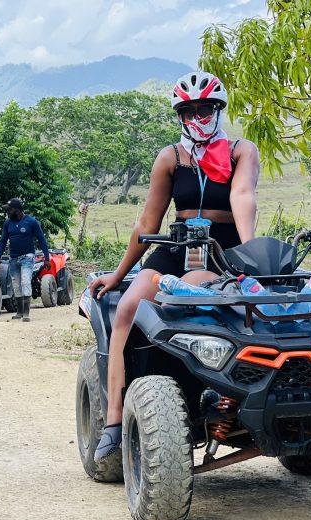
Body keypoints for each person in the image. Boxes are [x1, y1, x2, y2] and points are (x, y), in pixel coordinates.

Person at [88, 71, 259, 464]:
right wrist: (117, 275)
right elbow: (147, 224)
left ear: (218, 110)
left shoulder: (239, 151)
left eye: (205, 110)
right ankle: (114, 418)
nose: (197, 118)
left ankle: (210, 393)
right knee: (128, 308)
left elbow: (243, 195)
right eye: (189, 111)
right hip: (174, 245)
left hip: (221, 248)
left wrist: (249, 255)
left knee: (196, 288)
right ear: (180, 115)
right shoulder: (170, 157)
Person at [0, 198, 50, 322]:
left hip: (27, 257)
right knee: (16, 285)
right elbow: (3, 241)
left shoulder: (31, 222)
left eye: (9, 209)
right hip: (13, 259)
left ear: (17, 210)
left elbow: (42, 240)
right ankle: (19, 312)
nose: (8, 212)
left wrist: (47, 259)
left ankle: (26, 313)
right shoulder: (7, 223)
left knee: (25, 282)